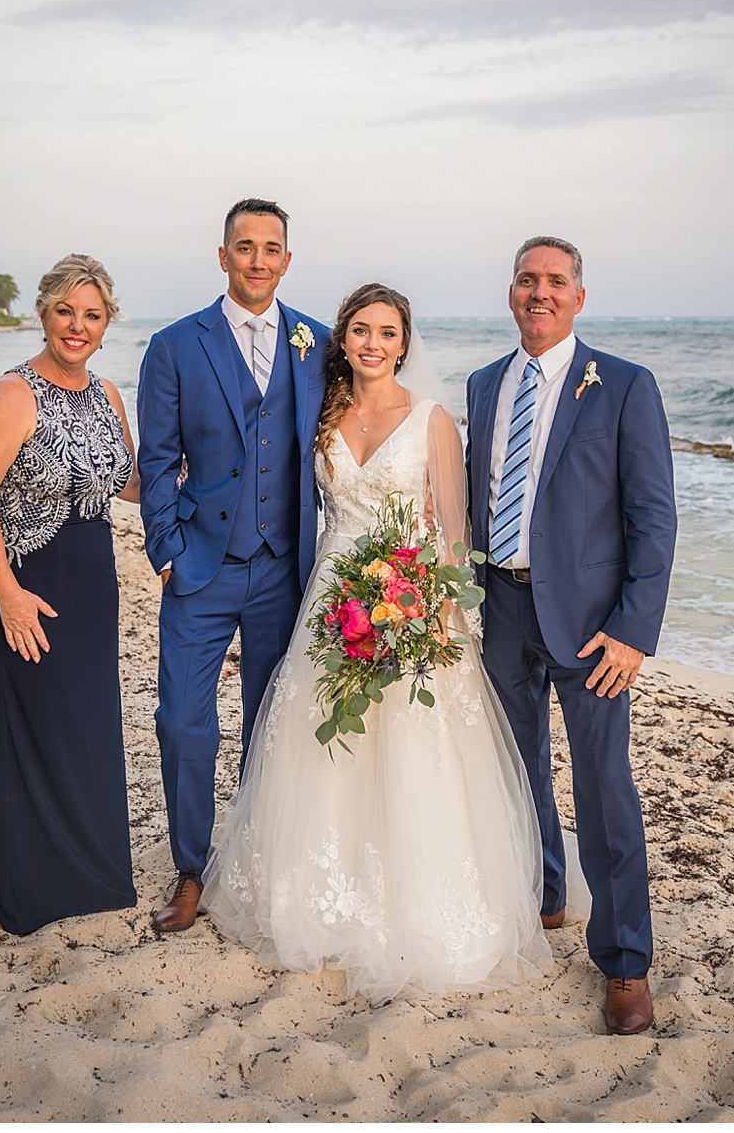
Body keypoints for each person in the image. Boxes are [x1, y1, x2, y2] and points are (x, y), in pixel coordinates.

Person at [201, 284, 550, 1000]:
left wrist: (446, 620)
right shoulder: (322, 412)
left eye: (387, 332)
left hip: (411, 599)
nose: (373, 343)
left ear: (404, 341)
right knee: (325, 749)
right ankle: (318, 892)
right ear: (343, 338)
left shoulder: (431, 421)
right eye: (360, 330)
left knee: (413, 750)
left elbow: (454, 534)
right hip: (331, 598)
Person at [464, 236, 677, 1036]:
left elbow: (654, 516)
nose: (539, 292)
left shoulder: (623, 385)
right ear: (510, 293)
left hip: (593, 629)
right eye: (527, 279)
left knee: (604, 786)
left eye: (555, 281)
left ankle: (625, 962)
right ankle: (546, 894)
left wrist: (633, 631)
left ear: (579, 297)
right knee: (516, 771)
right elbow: (479, 504)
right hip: (503, 611)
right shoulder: (486, 385)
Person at [136, 199, 329, 933]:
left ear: (286, 259)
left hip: (286, 569)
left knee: (269, 723)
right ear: (223, 256)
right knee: (184, 723)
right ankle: (192, 867)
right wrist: (167, 552)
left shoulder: (320, 342)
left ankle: (250, 860)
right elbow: (157, 459)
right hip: (202, 566)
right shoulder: (176, 345)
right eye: (243, 246)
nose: (257, 259)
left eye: (270, 247)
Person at [0, 254, 140, 934]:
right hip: (30, 580)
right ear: (43, 313)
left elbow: (125, 480)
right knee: (36, 725)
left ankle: (90, 875)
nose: (77, 326)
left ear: (106, 323)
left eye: (91, 315)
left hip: (93, 579)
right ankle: (28, 882)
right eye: (65, 311)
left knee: (86, 723)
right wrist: (7, 595)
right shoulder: (12, 394)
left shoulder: (109, 394)